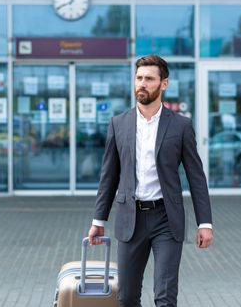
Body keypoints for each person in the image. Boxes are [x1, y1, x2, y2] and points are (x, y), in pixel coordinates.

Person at [88, 54, 213, 307]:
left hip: (166, 219)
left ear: (163, 84)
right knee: (126, 298)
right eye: (138, 78)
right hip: (129, 218)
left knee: (165, 298)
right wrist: (98, 220)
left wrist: (205, 223)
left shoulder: (180, 126)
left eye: (149, 79)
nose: (141, 84)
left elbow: (196, 177)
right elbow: (109, 176)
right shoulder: (118, 124)